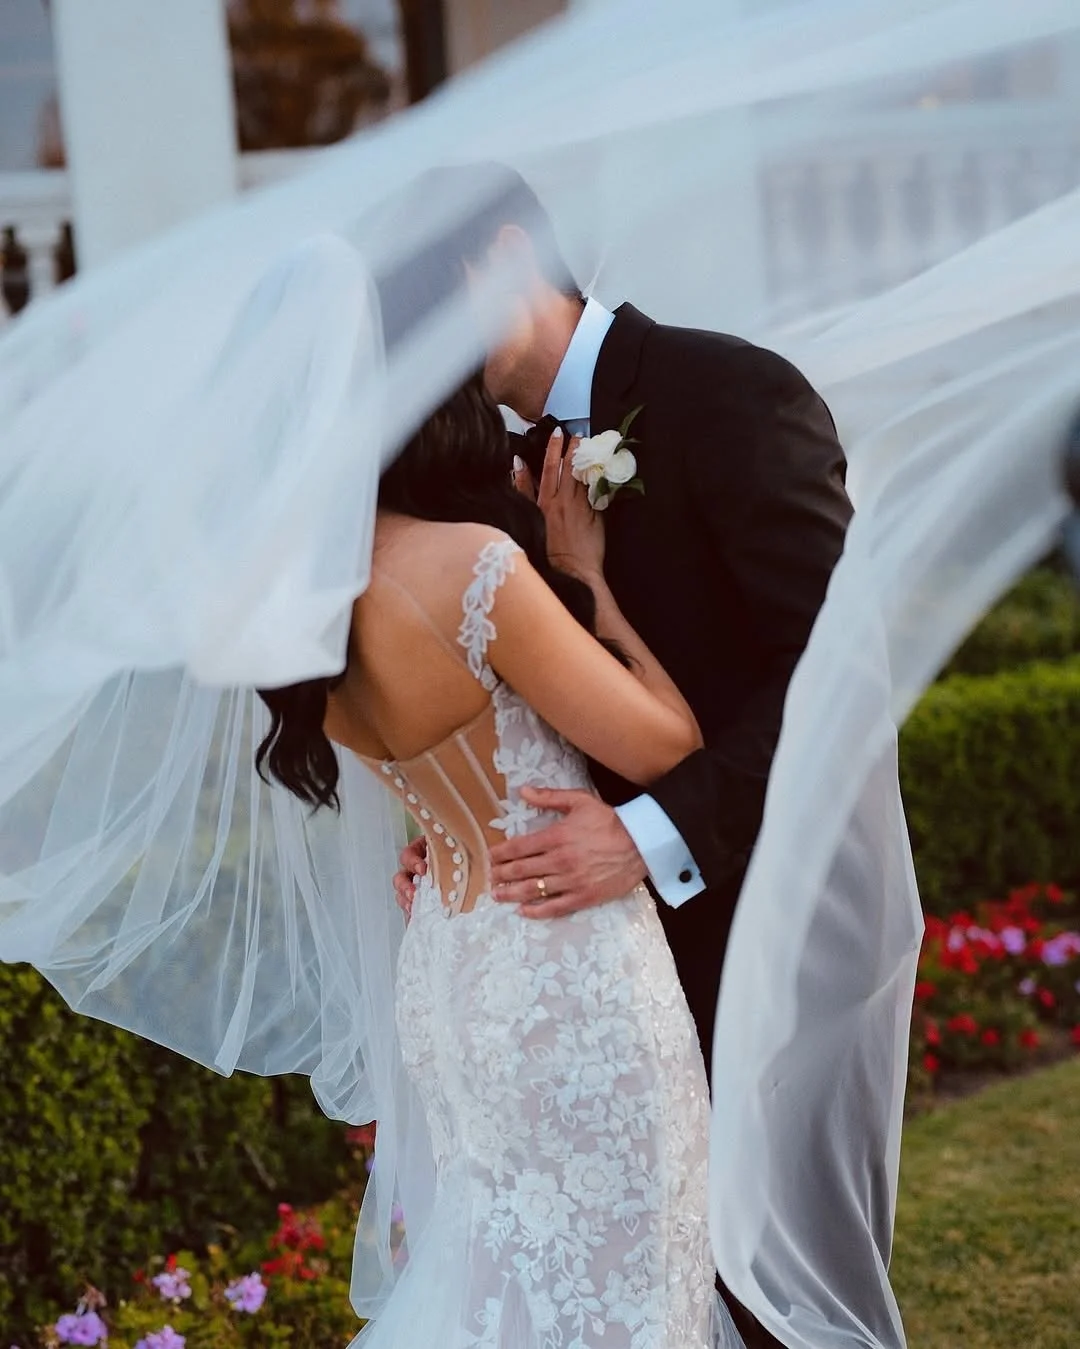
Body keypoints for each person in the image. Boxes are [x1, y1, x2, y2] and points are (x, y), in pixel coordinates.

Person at [389, 165, 853, 1349]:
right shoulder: (467, 468)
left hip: (750, 927)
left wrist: (647, 836)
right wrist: (450, 823)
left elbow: (838, 679)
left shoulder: (731, 393)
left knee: (766, 1303)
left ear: (505, 256)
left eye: (424, 307)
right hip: (567, 977)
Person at [257, 367, 744, 1348]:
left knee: (505, 1287)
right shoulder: (472, 564)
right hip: (565, 964)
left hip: (446, 966)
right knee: (638, 1292)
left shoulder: (298, 610)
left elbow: (434, 775)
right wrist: (585, 575)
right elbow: (669, 746)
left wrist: (437, 837)